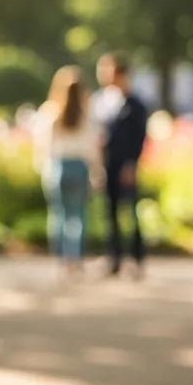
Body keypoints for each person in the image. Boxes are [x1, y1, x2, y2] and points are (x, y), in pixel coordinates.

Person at [34, 66, 101, 278]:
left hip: (58, 166)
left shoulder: (51, 112)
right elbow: (92, 147)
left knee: (59, 215)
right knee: (77, 216)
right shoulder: (86, 115)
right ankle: (75, 257)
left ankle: (63, 259)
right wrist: (97, 171)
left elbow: (43, 145)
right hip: (79, 167)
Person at [94, 52, 148, 277]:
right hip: (109, 165)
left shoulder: (135, 105)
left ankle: (135, 257)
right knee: (111, 213)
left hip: (126, 165)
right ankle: (113, 258)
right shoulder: (104, 102)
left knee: (130, 213)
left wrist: (131, 164)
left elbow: (139, 137)